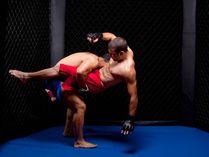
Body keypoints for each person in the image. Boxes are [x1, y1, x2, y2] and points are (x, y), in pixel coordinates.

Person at [9, 32, 138, 148]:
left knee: (61, 70)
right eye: (109, 54)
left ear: (121, 54)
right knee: (71, 95)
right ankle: (68, 129)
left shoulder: (127, 69)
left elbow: (133, 96)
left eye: (112, 55)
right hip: (93, 75)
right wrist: (99, 35)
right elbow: (111, 36)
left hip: (95, 83)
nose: (110, 57)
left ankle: (27, 76)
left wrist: (130, 119)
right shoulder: (121, 47)